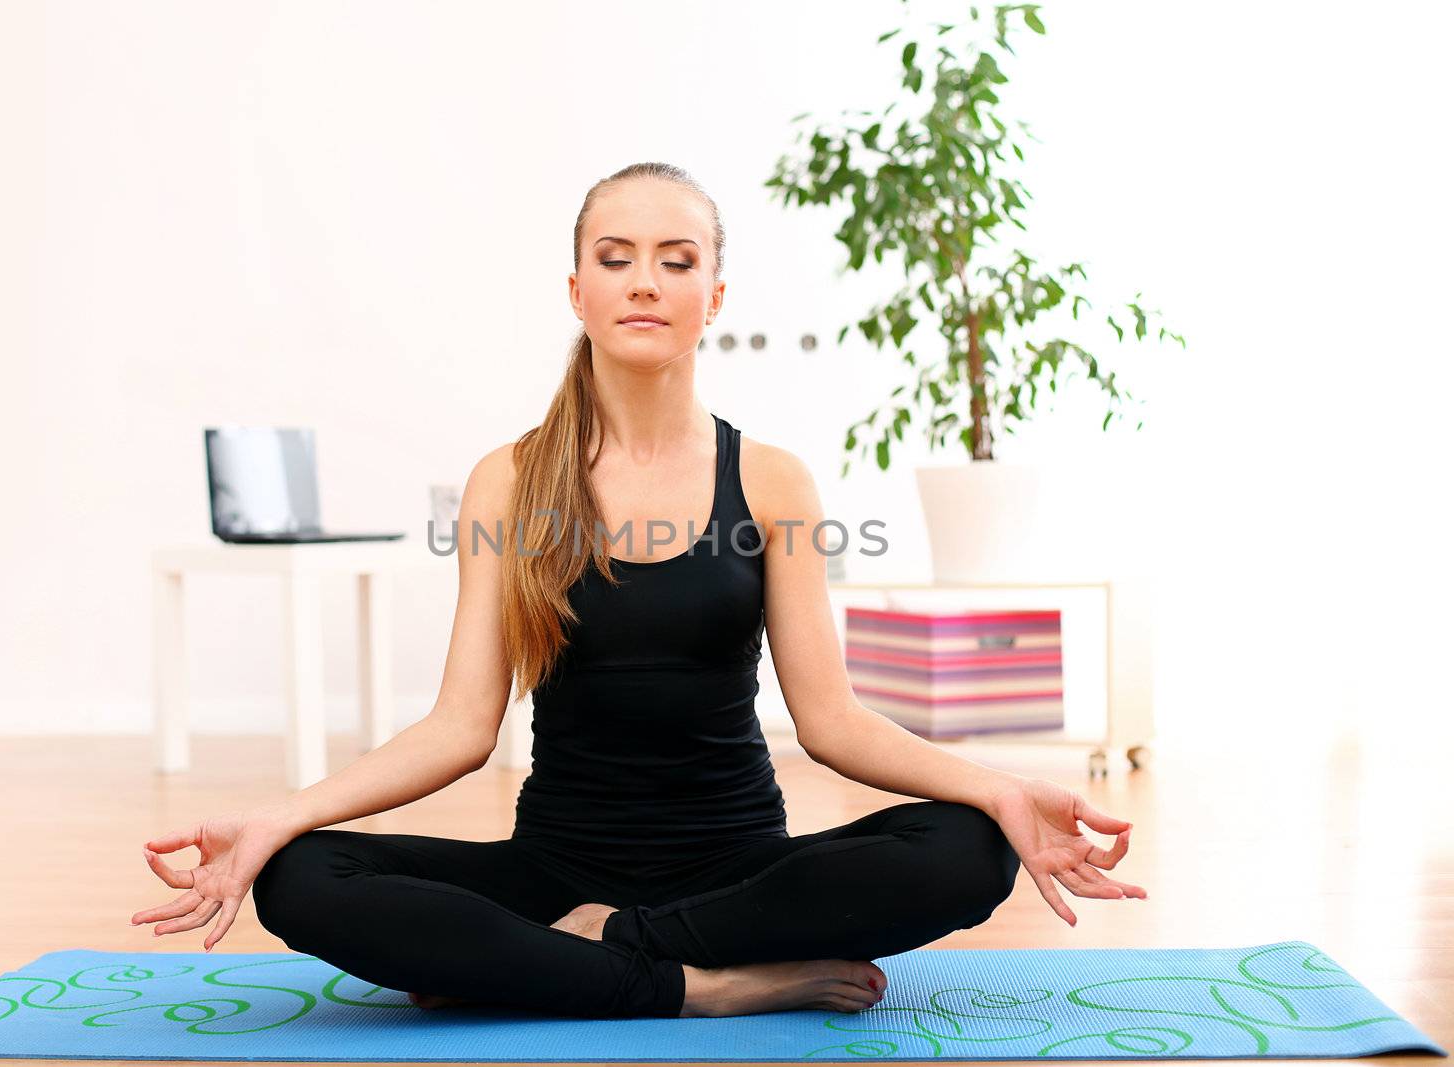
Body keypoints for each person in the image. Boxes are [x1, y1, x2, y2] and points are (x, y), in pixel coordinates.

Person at [130, 162, 1148, 1020]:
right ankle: (697, 987)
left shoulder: (770, 479)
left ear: (715, 295)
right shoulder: (509, 478)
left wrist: (1002, 790)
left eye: (677, 260)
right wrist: (278, 817)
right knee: (301, 876)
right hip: (555, 867)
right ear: (576, 288)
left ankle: (600, 952)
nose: (644, 282)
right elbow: (458, 725)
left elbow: (831, 720)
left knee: (969, 847)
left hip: (743, 871)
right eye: (615, 259)